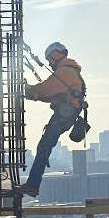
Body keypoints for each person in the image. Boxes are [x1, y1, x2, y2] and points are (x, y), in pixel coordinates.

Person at [23, 42, 86, 196]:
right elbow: (51, 94)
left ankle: (32, 185)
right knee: (44, 147)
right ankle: (32, 185)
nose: (49, 63)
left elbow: (46, 88)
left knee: (44, 147)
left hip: (63, 116)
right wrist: (34, 95)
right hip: (66, 116)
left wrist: (28, 89)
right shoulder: (68, 70)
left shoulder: (65, 71)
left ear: (54, 55)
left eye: (49, 59)